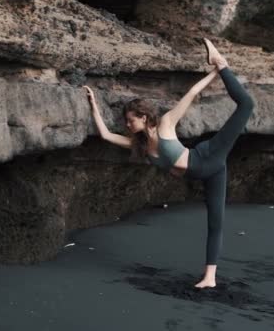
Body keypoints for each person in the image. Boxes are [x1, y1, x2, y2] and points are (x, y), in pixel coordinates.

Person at [83, 38, 255, 289]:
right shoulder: (138, 145)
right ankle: (210, 278)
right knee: (215, 223)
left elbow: (192, 94)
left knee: (247, 104)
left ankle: (221, 62)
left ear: (143, 117)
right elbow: (106, 136)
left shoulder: (166, 124)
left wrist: (215, 72)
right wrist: (93, 105)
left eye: (130, 121)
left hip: (210, 156)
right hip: (209, 173)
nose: (128, 126)